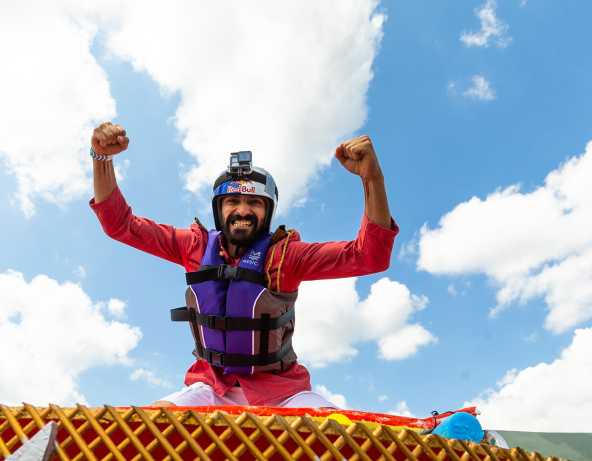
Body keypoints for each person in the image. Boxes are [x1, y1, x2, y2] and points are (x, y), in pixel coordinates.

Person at [89, 122, 398, 408]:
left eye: (254, 203)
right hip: (209, 387)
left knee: (342, 434)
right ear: (219, 209)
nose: (243, 210)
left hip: (283, 394)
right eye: (232, 201)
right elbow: (119, 224)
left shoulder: (287, 256)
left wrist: (373, 179)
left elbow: (370, 256)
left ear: (267, 214)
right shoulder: (193, 246)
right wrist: (101, 159)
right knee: (146, 426)